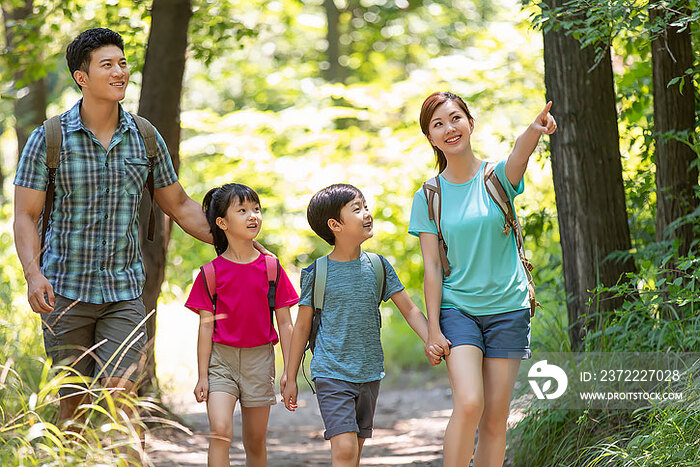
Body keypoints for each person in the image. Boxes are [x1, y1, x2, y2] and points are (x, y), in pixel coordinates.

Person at [13, 27, 213, 422]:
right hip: (64, 292)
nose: (119, 71)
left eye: (123, 63)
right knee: (72, 406)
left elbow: (180, 204)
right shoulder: (49, 139)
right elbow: (25, 215)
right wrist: (33, 275)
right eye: (107, 65)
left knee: (121, 399)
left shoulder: (144, 137)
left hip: (123, 292)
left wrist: (232, 242)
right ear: (82, 77)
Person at [408, 92, 556, 466]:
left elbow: (519, 154)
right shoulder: (429, 195)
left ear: (470, 123)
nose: (449, 128)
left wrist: (535, 130)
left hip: (509, 308)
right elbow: (432, 269)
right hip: (459, 311)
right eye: (437, 124)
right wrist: (433, 331)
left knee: (495, 418)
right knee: (470, 402)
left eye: (455, 118)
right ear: (430, 138)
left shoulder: (496, 178)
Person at [282, 183, 441, 467]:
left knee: (354, 451)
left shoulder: (378, 266)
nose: (367, 214)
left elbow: (410, 309)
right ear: (335, 225)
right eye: (357, 209)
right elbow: (302, 327)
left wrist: (431, 337)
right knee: (343, 449)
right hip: (331, 373)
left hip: (368, 373)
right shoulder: (317, 272)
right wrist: (291, 376)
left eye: (365, 206)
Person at [186, 183, 298, 467]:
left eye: (257, 209)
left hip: (259, 362)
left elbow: (285, 324)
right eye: (243, 210)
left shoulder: (272, 268)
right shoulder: (210, 273)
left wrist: (290, 373)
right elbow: (205, 328)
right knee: (220, 432)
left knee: (255, 441)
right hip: (220, 363)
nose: (253, 216)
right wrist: (202, 375)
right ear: (222, 222)